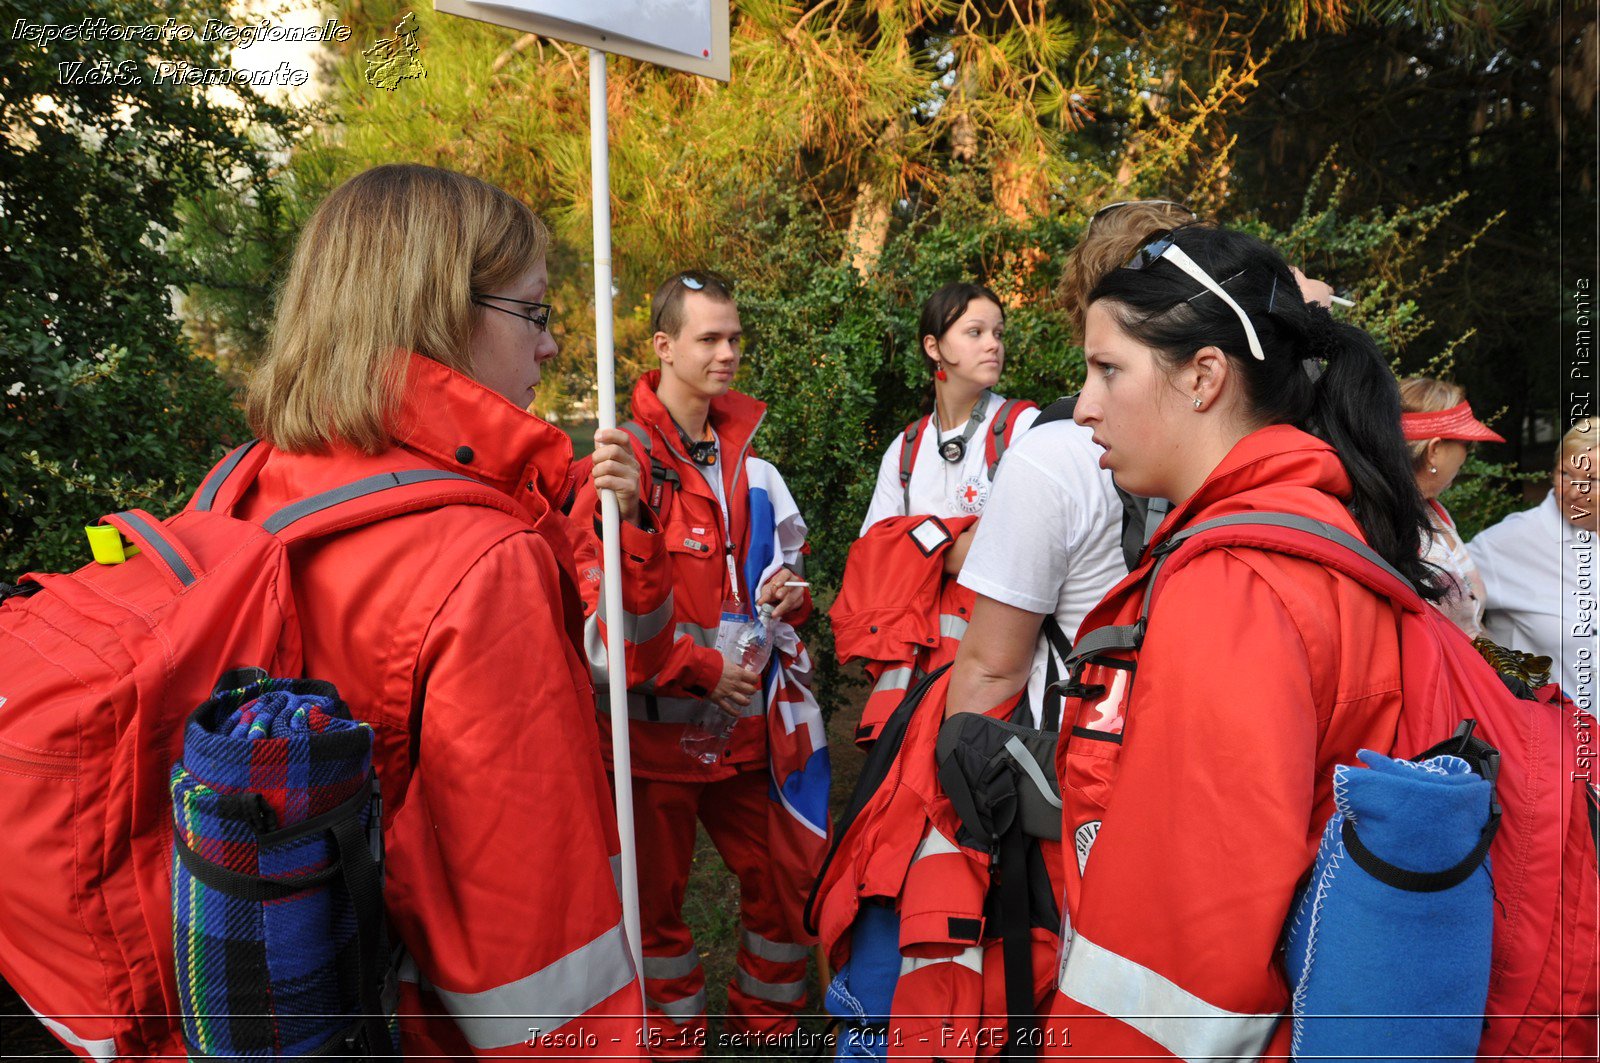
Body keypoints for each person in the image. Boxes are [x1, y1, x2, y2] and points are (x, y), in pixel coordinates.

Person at [231, 163, 669, 1058]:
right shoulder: (481, 561)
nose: (550, 347)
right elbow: (540, 961)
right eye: (535, 312)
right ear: (438, 307)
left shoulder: (247, 487)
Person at [1038, 224, 1443, 1058]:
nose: (1082, 404)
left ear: (1204, 376)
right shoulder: (1312, 532)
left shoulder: (1237, 583)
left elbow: (1185, 956)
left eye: (1108, 369)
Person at [596, 270, 816, 1057]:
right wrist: (695, 664)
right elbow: (603, 618)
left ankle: (770, 1039)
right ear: (663, 347)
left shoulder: (747, 458)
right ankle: (674, 1045)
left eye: (735, 337)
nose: (728, 353)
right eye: (709, 339)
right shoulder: (622, 463)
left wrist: (793, 595)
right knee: (652, 921)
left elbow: (788, 567)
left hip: (743, 736)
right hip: (655, 746)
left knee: (789, 895)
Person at [835, 282, 1042, 741]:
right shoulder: (906, 449)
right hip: (915, 670)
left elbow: (1021, 552)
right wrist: (963, 540)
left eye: (998, 332)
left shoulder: (1023, 427)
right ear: (934, 347)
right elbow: (872, 559)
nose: (993, 344)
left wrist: (916, 545)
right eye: (975, 331)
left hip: (1000, 662)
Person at [1469, 419, 1599, 705]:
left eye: (1592, 480)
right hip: (1557, 739)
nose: (1574, 492)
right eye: (1564, 473)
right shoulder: (1506, 543)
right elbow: (1437, 588)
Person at [1397, 376, 1505, 637]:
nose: (1467, 456)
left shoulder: (1434, 512)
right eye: (1466, 443)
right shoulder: (1392, 529)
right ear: (1434, 450)